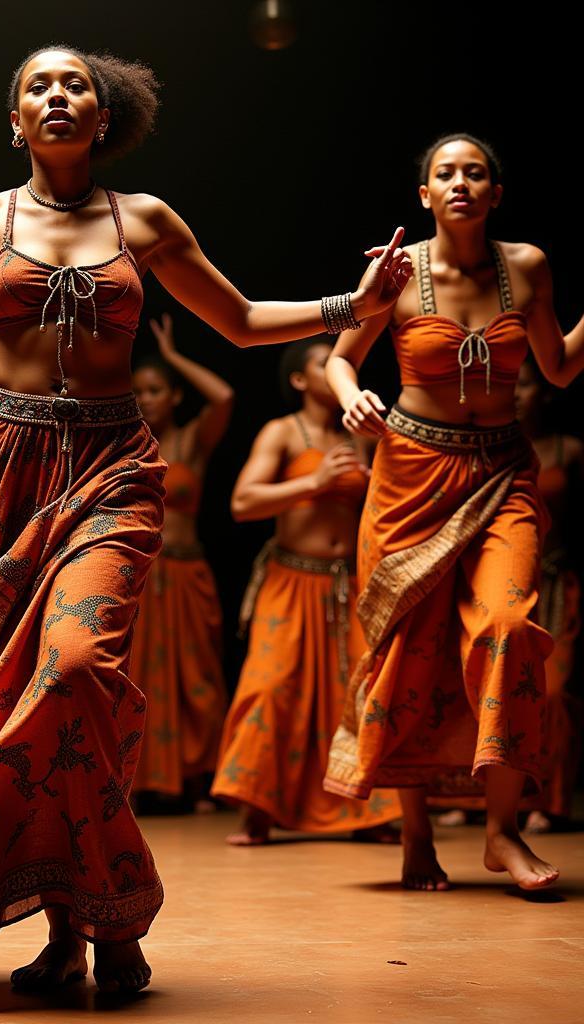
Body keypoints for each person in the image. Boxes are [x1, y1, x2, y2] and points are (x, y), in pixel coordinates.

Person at [0, 44, 410, 993]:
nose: (58, 95)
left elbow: (238, 320)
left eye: (74, 83)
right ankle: (71, 928)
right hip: (5, 470)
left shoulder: (145, 222)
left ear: (103, 116)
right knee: (15, 703)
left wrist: (345, 307)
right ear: (16, 121)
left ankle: (116, 907)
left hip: (115, 467)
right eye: (38, 86)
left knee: (75, 672)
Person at [324, 134, 584, 891]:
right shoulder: (398, 275)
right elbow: (340, 358)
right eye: (446, 173)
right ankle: (415, 833)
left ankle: (501, 833)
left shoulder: (526, 266)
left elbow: (559, 369)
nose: (461, 182)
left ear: (495, 194)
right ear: (425, 195)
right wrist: (353, 400)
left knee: (506, 626)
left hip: (503, 471)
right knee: (410, 648)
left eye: (476, 172)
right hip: (409, 475)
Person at [211, 338, 400, 842]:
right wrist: (313, 482)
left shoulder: (362, 436)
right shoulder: (282, 433)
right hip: (292, 579)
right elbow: (243, 502)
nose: (339, 370)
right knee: (271, 687)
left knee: (358, 692)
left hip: (352, 584)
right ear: (299, 380)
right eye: (324, 364)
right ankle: (258, 807)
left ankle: (368, 811)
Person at [129, 313, 232, 810]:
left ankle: (197, 777)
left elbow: (225, 397)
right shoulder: (123, 445)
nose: (145, 398)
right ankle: (137, 779)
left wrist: (172, 359)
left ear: (173, 395)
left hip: (188, 571)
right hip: (139, 576)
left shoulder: (193, 440)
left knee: (198, 678)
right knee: (136, 676)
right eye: (139, 391)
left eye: (155, 389)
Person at [514, 357, 582, 832]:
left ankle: (547, 800)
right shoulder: (495, 446)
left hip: (556, 582)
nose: (515, 394)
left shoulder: (569, 450)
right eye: (509, 386)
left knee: (552, 693)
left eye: (524, 385)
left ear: (545, 392)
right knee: (493, 687)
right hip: (500, 581)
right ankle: (479, 802)